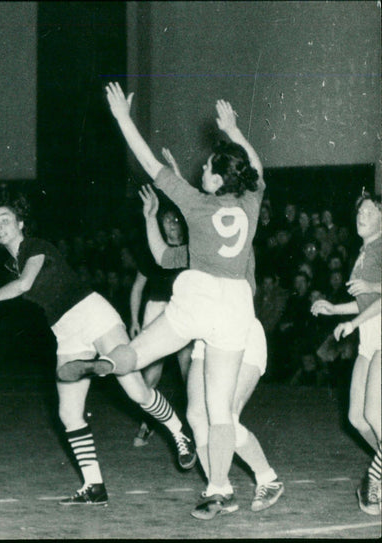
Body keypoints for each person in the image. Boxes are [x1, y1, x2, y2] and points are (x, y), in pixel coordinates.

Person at [84, 82, 265, 519]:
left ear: (217, 180)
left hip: (199, 295)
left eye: (206, 168)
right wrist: (236, 132)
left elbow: (147, 163)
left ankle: (115, 359)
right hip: (235, 304)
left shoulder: (196, 205)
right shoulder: (251, 200)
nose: (200, 170)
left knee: (143, 350)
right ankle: (220, 488)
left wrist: (123, 119)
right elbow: (256, 169)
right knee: (219, 412)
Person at [0, 193, 196, 507]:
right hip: (65, 330)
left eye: (5, 220)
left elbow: (26, 284)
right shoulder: (10, 262)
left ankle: (179, 433)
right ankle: (94, 486)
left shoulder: (35, 246)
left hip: (92, 313)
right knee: (68, 413)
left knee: (137, 391)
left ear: (20, 223)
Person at [140, 181, 284, 513]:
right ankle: (220, 488)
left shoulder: (236, 245)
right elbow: (163, 256)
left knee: (226, 418)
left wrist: (178, 181)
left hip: (241, 333)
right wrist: (151, 217)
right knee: (195, 414)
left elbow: (207, 205)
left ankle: (267, 477)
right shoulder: (198, 251)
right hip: (208, 337)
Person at [311, 191, 381, 516]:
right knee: (356, 417)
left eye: (369, 210)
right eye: (359, 210)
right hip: (368, 333)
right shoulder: (365, 251)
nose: (361, 214)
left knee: (375, 415)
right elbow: (365, 298)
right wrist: (334, 309)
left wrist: (353, 322)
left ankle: (375, 477)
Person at [128, 148, 193, 448]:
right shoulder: (153, 252)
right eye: (166, 221)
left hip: (184, 311)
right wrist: (134, 321)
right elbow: (137, 288)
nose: (171, 225)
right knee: (150, 375)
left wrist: (177, 174)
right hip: (156, 311)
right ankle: (148, 422)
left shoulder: (191, 250)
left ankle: (193, 428)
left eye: (174, 221)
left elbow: (194, 206)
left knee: (188, 370)